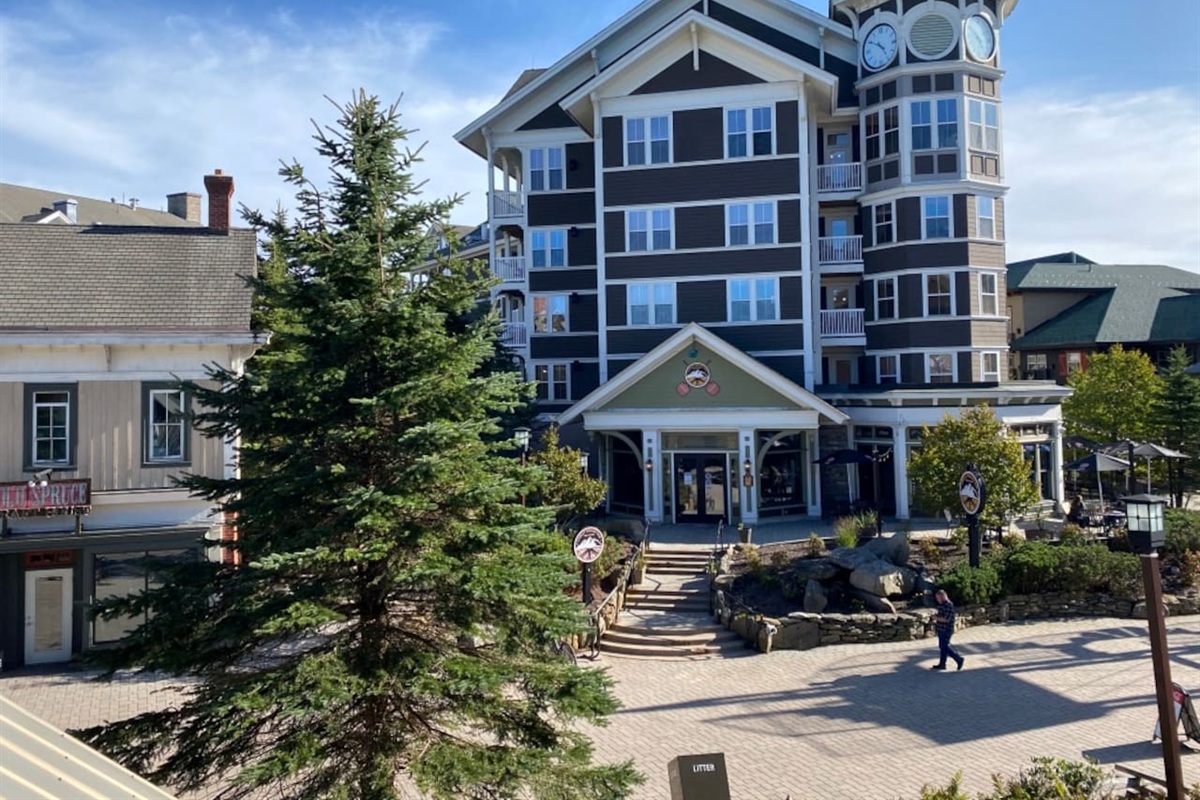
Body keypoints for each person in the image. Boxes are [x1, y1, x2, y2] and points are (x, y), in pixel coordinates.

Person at [932, 589, 964, 671]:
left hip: (946, 630)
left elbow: (946, 619)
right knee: (942, 647)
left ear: (942, 597)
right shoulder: (942, 605)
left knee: (944, 647)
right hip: (941, 629)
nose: (937, 600)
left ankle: (958, 659)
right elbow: (941, 615)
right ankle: (942, 664)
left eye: (938, 598)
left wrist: (936, 618)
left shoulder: (948, 605)